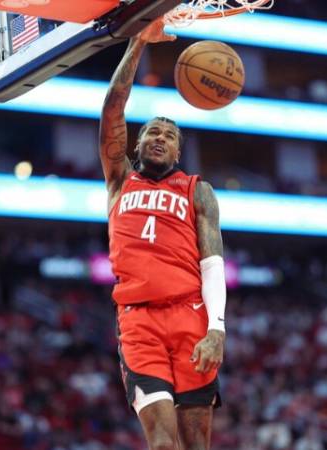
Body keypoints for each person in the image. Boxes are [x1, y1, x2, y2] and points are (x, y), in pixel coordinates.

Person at [98, 19, 226, 450]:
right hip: (139, 321)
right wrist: (137, 42)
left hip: (190, 317)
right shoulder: (120, 181)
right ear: (137, 145)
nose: (160, 137)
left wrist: (217, 328)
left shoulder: (196, 190)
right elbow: (112, 110)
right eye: (153, 131)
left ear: (178, 150)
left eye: (169, 136)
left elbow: (212, 263)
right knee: (163, 444)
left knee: (196, 443)